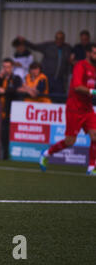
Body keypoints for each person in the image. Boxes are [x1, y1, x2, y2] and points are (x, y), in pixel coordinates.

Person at [40, 43, 96, 175]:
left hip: (87, 108)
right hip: (74, 108)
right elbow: (77, 86)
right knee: (70, 141)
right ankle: (46, 153)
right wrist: (94, 92)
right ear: (88, 53)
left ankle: (91, 168)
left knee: (95, 136)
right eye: (94, 52)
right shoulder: (80, 65)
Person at [19, 31, 72, 96]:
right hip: (47, 78)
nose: (59, 40)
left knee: (59, 98)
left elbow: (72, 59)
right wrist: (25, 41)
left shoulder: (67, 48)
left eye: (61, 39)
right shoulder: (48, 46)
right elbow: (35, 47)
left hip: (60, 80)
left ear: (64, 39)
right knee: (45, 96)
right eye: (57, 38)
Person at [0, 58, 23, 159]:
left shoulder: (16, 78)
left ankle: (7, 155)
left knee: (8, 134)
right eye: (4, 67)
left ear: (12, 68)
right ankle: (2, 155)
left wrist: (4, 91)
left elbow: (16, 89)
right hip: (0, 110)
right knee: (1, 134)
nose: (6, 69)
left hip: (11, 111)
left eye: (8, 67)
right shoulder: (1, 78)